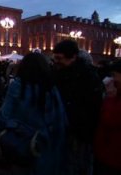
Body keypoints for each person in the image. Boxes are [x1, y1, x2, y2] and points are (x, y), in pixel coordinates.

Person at [0, 52, 67, 175]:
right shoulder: (52, 89)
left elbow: (3, 117)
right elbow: (60, 122)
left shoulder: (18, 86)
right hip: (45, 149)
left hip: (20, 147)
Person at [53, 39, 104, 175]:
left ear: (73, 57)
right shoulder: (61, 73)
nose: (56, 61)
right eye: (55, 58)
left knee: (77, 167)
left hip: (79, 134)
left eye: (59, 58)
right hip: (63, 131)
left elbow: (93, 109)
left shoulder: (88, 77)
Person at [94, 60, 121, 175]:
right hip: (106, 154)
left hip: (113, 157)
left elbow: (110, 119)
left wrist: (108, 99)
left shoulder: (114, 99)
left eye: (114, 75)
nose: (112, 79)